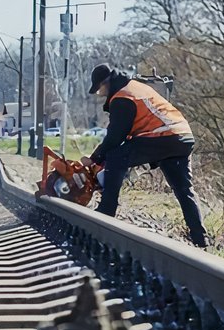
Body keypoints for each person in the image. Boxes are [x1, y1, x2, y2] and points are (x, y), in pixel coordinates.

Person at [86, 64, 208, 247]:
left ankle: (106, 212)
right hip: (182, 136)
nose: (99, 94)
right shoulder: (136, 87)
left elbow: (115, 137)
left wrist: (94, 158)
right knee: (184, 190)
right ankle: (201, 239)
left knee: (116, 157)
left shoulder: (122, 97)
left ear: (106, 83)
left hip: (162, 136)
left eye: (99, 89)